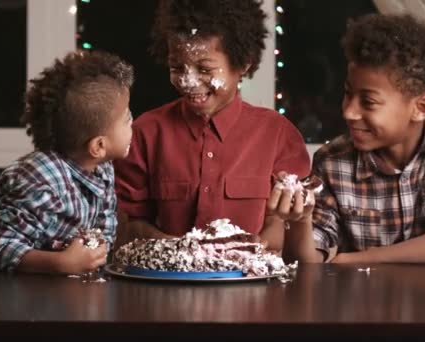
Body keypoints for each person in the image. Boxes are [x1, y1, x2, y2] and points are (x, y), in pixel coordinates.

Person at [272, 14, 425, 264]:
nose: (348, 112)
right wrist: (300, 221)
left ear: (421, 107)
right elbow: (305, 266)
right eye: (348, 94)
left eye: (368, 102)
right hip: (359, 303)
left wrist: (354, 259)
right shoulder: (332, 160)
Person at [114, 0, 310, 251]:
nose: (188, 81)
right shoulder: (146, 133)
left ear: (243, 64)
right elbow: (130, 226)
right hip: (167, 285)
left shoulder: (278, 134)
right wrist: (185, 251)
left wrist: (235, 252)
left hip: (250, 285)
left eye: (204, 69)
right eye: (177, 67)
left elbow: (282, 227)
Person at [0, 50, 134, 274]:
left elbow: (104, 227)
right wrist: (63, 263)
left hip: (29, 273)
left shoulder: (102, 168)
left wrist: (95, 252)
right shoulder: (42, 178)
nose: (133, 124)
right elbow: (2, 247)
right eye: (127, 119)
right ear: (98, 146)